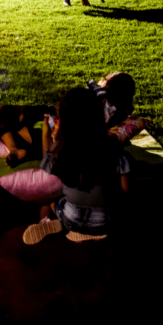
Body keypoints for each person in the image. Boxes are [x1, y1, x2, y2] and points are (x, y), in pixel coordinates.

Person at [22, 86, 131, 245]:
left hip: (71, 217)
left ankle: (45, 221)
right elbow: (126, 190)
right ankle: (93, 231)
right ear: (97, 116)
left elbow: (46, 165)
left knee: (47, 203)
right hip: (106, 220)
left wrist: (45, 134)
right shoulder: (112, 147)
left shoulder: (62, 149)